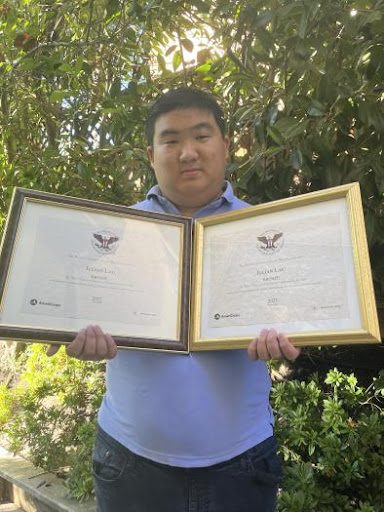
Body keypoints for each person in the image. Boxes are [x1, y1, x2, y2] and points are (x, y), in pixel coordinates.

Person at [48, 87, 300, 512]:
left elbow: (300, 314)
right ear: (151, 154)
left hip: (242, 462)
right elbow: (77, 311)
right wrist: (74, 334)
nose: (188, 152)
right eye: (171, 140)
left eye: (201, 136)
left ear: (225, 143)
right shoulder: (113, 234)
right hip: (131, 464)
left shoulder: (266, 232)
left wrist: (293, 335)